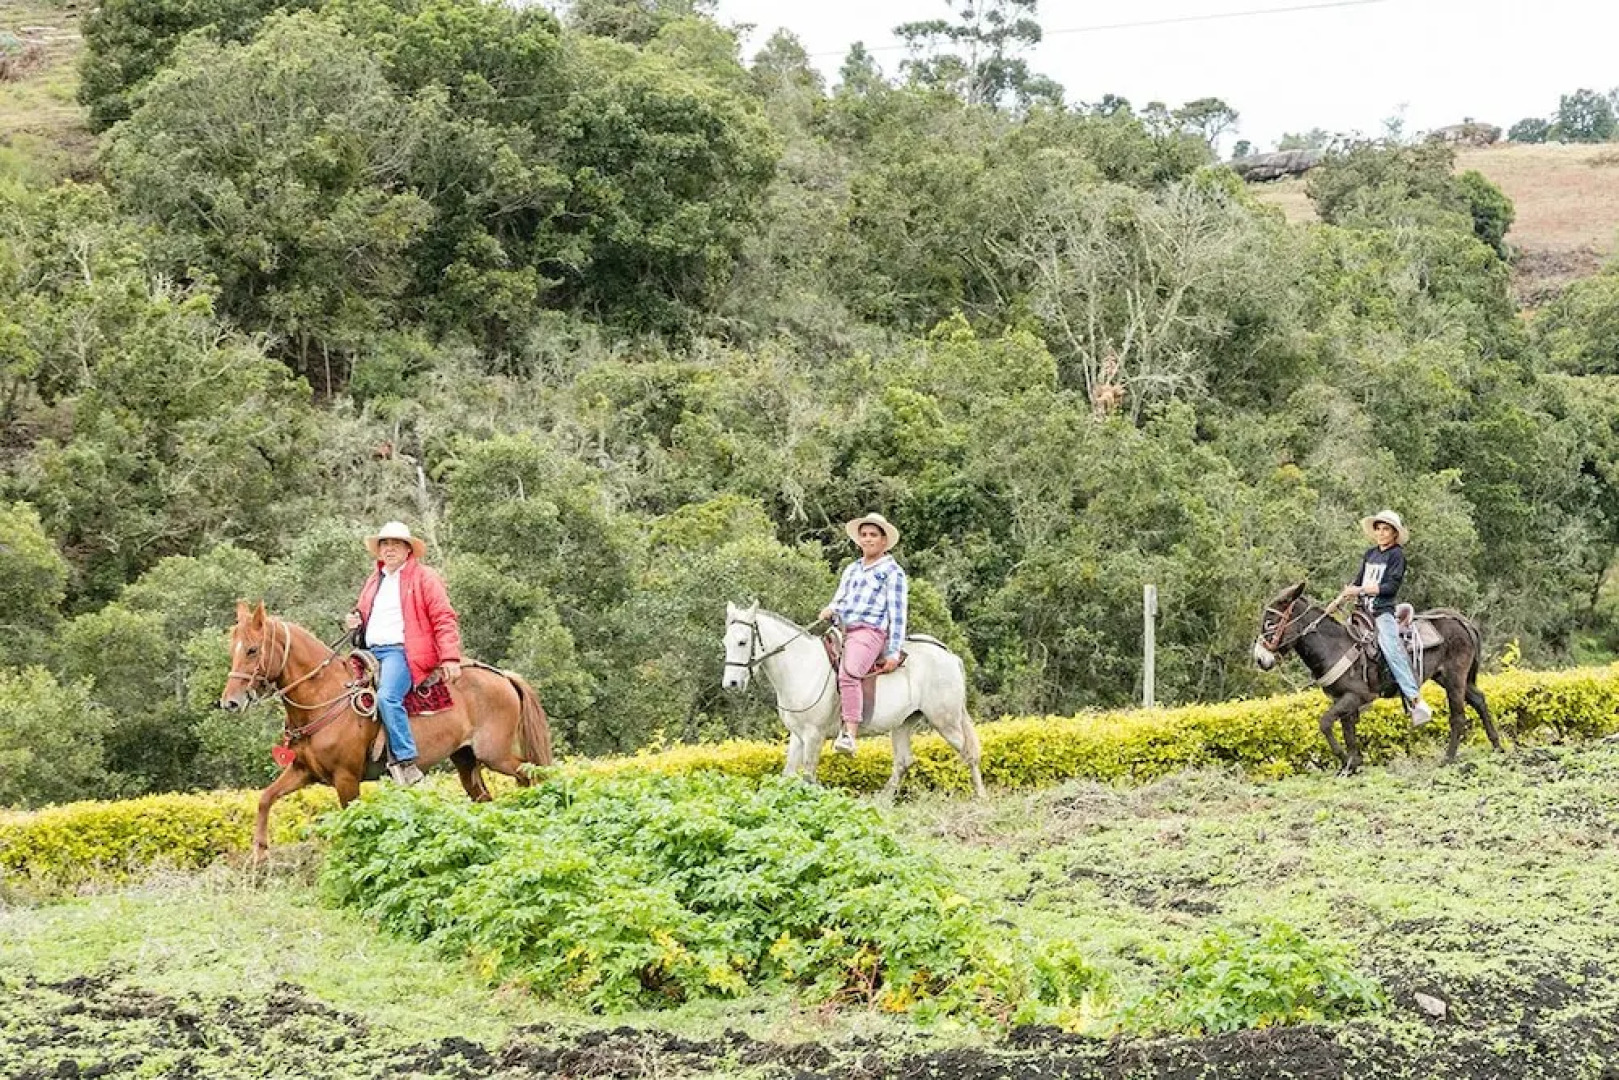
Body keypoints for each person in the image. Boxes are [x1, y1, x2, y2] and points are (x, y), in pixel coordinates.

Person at [344, 521, 464, 784]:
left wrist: (450, 656)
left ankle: (406, 762)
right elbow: (363, 612)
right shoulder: (375, 580)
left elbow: (444, 617)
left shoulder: (424, 578)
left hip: (403, 653)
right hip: (369, 653)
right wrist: (355, 618)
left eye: (396, 544)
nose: (389, 549)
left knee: (387, 697)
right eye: (385, 544)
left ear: (408, 549)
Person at [817, 512, 908, 756]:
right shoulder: (852, 569)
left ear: (883, 541)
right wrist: (830, 609)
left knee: (849, 673)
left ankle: (850, 734)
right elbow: (840, 600)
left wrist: (894, 651)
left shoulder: (892, 573)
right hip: (843, 629)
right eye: (864, 535)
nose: (867, 540)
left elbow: (898, 615)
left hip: (870, 632)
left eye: (873, 536)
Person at [1338, 510, 1433, 727]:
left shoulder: (1396, 555)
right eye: (1378, 529)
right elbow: (1359, 579)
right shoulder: (1370, 554)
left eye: (1386, 530)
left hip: (1382, 612)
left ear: (1394, 534)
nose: (1381, 533)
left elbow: (1391, 586)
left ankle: (1416, 701)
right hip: (1363, 611)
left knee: (1391, 649)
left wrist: (1363, 589)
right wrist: (1349, 591)